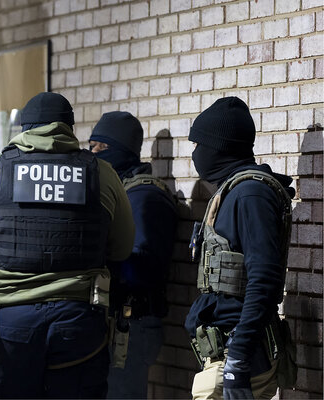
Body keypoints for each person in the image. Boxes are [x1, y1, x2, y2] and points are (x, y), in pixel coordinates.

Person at [0, 92, 135, 399]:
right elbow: (122, 247)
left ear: (23, 127)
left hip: (7, 322)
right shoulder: (103, 175)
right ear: (69, 127)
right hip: (79, 321)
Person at [185, 97, 296, 400]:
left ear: (219, 146)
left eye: (198, 144)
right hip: (226, 352)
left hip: (240, 354)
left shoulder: (250, 194)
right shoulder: (233, 191)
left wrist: (238, 358)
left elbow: (264, 279)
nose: (194, 154)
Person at [89, 111, 178, 399]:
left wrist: (99, 259)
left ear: (120, 151)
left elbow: (143, 270)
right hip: (116, 321)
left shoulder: (145, 197)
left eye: (99, 148)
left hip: (132, 324)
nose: (92, 154)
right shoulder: (120, 192)